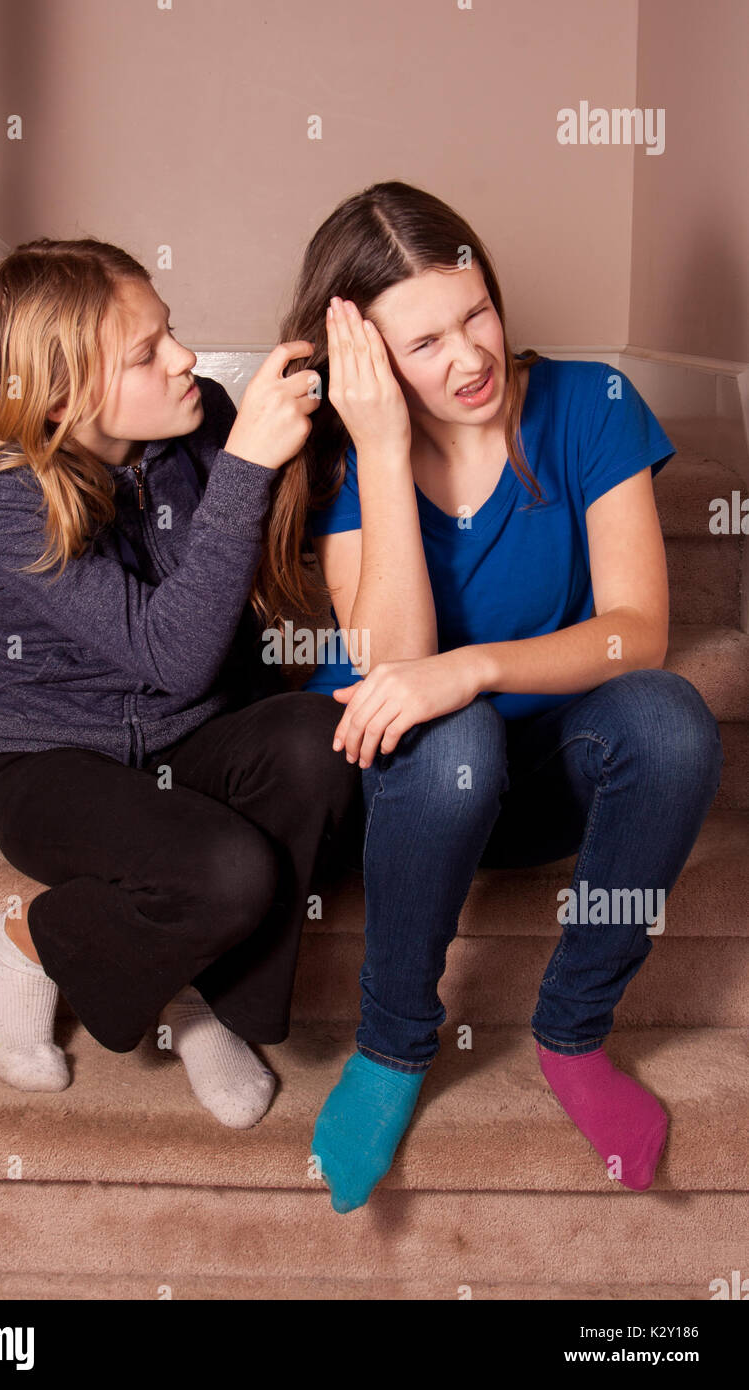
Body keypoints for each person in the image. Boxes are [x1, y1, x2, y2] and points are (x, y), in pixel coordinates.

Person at [251, 180, 725, 1210]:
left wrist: (475, 665)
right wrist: (380, 449)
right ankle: (391, 1043)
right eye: (421, 344)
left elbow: (634, 631)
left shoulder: (587, 403)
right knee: (453, 737)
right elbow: (390, 660)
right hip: (416, 791)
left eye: (474, 313)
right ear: (368, 362)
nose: (467, 358)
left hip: (546, 770)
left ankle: (573, 1029)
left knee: (673, 724)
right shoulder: (346, 454)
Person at [0, 237, 361, 1128]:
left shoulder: (197, 415)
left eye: (169, 332)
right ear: (61, 395)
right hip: (54, 765)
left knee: (321, 739)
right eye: (146, 354)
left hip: (197, 737)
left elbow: (253, 571)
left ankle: (203, 991)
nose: (186, 361)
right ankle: (25, 942)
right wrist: (244, 468)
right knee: (227, 872)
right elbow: (170, 652)